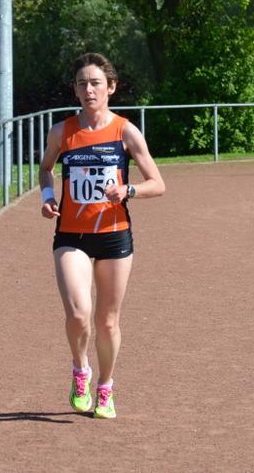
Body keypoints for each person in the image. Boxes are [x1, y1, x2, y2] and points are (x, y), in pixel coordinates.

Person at [39, 52, 165, 418]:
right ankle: (81, 369)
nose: (89, 90)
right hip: (71, 235)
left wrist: (130, 191)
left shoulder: (125, 131)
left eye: (96, 83)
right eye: (82, 84)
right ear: (75, 90)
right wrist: (48, 197)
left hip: (114, 235)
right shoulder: (62, 131)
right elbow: (46, 169)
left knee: (107, 320)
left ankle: (106, 387)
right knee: (79, 314)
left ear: (111, 87)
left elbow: (158, 183)